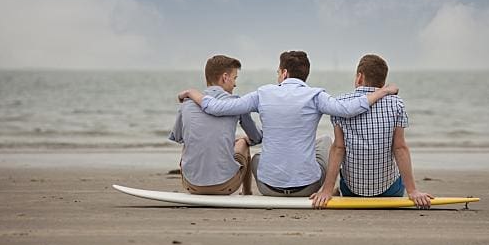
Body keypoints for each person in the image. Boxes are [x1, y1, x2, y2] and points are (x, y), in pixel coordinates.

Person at [177, 51, 396, 197]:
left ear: (283, 73)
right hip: (308, 188)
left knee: (259, 156)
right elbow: (349, 109)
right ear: (305, 75)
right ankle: (330, 189)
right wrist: (382, 91)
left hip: (267, 189)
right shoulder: (315, 95)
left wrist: (192, 93)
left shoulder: (263, 93)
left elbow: (216, 108)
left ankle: (250, 192)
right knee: (326, 141)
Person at [310, 54, 432, 209]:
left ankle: (336, 190)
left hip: (352, 192)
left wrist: (326, 191)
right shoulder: (396, 104)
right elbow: (399, 148)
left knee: (337, 150)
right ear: (383, 82)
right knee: (395, 161)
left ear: (359, 77)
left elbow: (339, 148)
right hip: (390, 191)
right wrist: (413, 191)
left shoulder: (341, 102)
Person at [168, 54, 262, 195]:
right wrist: (244, 139)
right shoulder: (236, 103)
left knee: (190, 139)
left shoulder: (186, 104)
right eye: (234, 78)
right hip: (225, 185)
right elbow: (256, 138)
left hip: (190, 185)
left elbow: (179, 137)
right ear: (225, 77)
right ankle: (247, 192)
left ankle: (197, 177)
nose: (235, 84)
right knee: (243, 142)